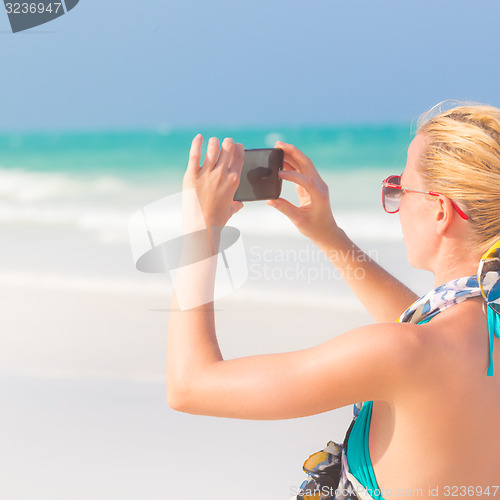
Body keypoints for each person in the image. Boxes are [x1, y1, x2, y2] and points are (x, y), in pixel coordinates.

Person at [166, 102, 500, 499]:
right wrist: (329, 235)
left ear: (441, 210)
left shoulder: (405, 353)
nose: (395, 202)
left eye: (400, 188)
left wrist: (200, 232)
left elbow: (190, 385)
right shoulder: (472, 335)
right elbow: (426, 332)